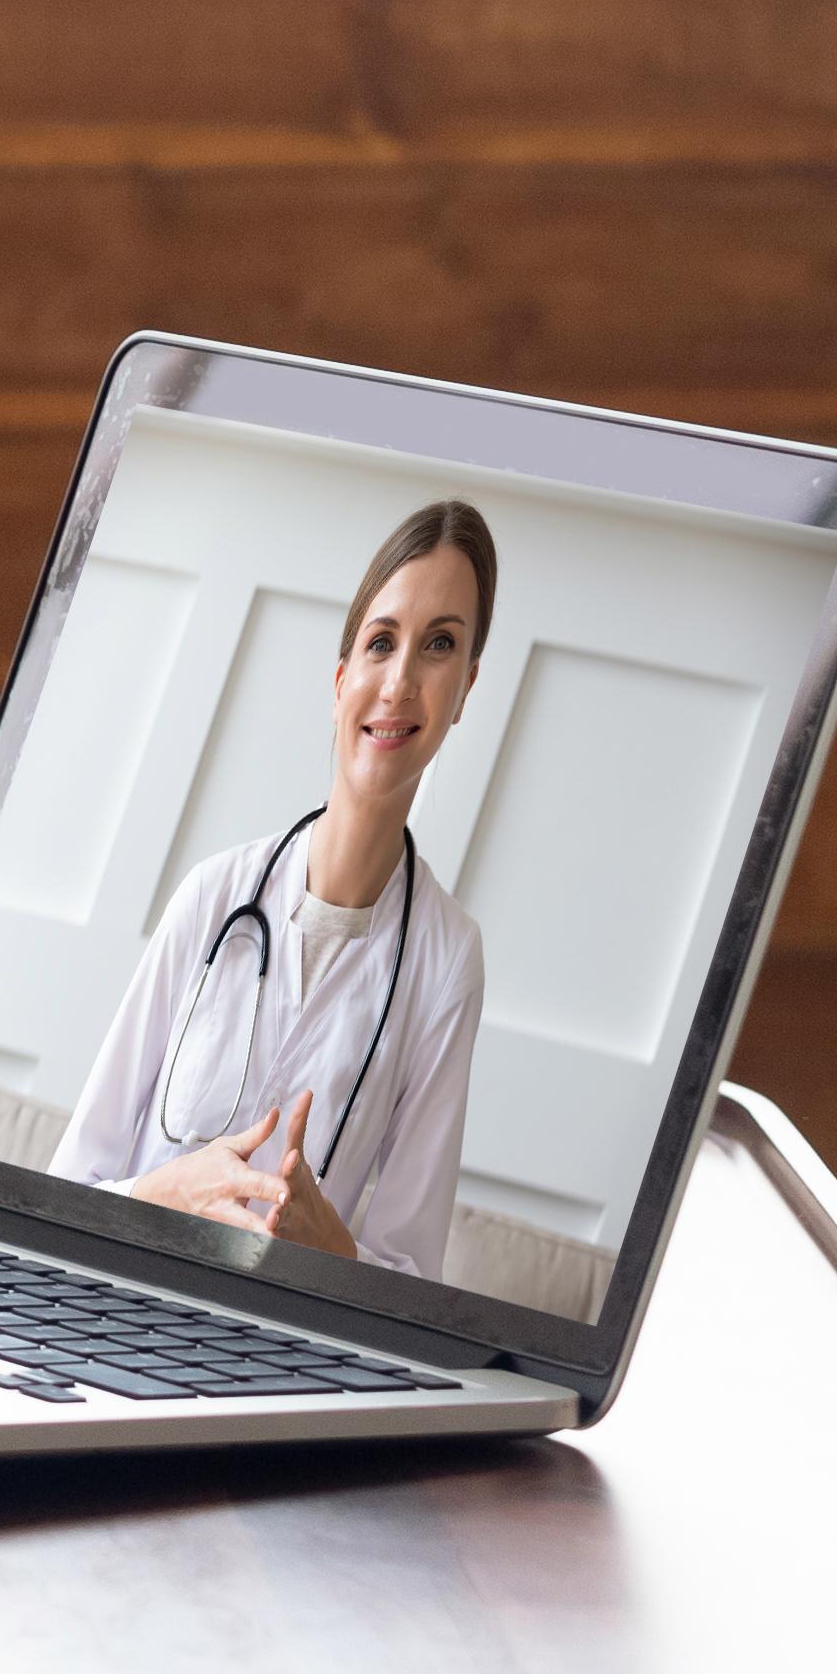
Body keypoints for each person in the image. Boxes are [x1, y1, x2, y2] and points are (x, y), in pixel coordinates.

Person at [49, 502, 497, 1280]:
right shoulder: (213, 894)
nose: (399, 683)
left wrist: (333, 1253)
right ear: (340, 679)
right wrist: (165, 1194)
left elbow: (410, 1276)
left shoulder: (448, 959)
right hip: (110, 1303)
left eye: (440, 647)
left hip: (273, 1357)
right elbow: (68, 1189)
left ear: (464, 691)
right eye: (381, 643)